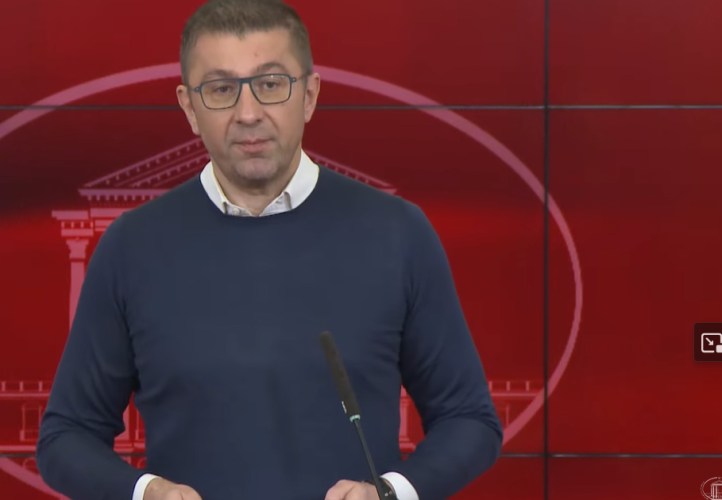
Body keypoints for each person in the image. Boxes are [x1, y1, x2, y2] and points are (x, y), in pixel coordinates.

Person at [37, 0, 502, 499]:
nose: (248, 113)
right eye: (221, 90)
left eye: (271, 84)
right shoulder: (130, 247)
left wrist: (389, 492)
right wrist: (147, 492)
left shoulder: (399, 233)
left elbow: (469, 420)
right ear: (189, 108)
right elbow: (66, 437)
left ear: (309, 95)